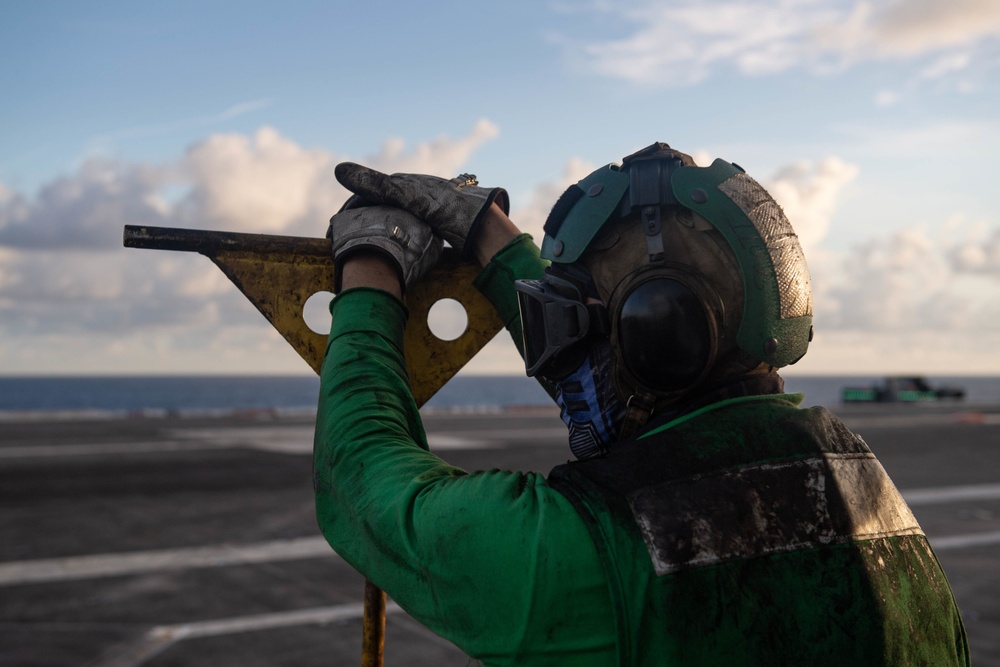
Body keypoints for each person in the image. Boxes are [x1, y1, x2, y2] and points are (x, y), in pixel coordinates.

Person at [314, 142, 970, 666]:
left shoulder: (585, 552)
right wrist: (488, 231)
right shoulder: (872, 496)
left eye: (573, 320)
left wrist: (371, 266)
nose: (564, 346)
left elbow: (362, 477)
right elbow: (622, 376)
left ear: (655, 333)